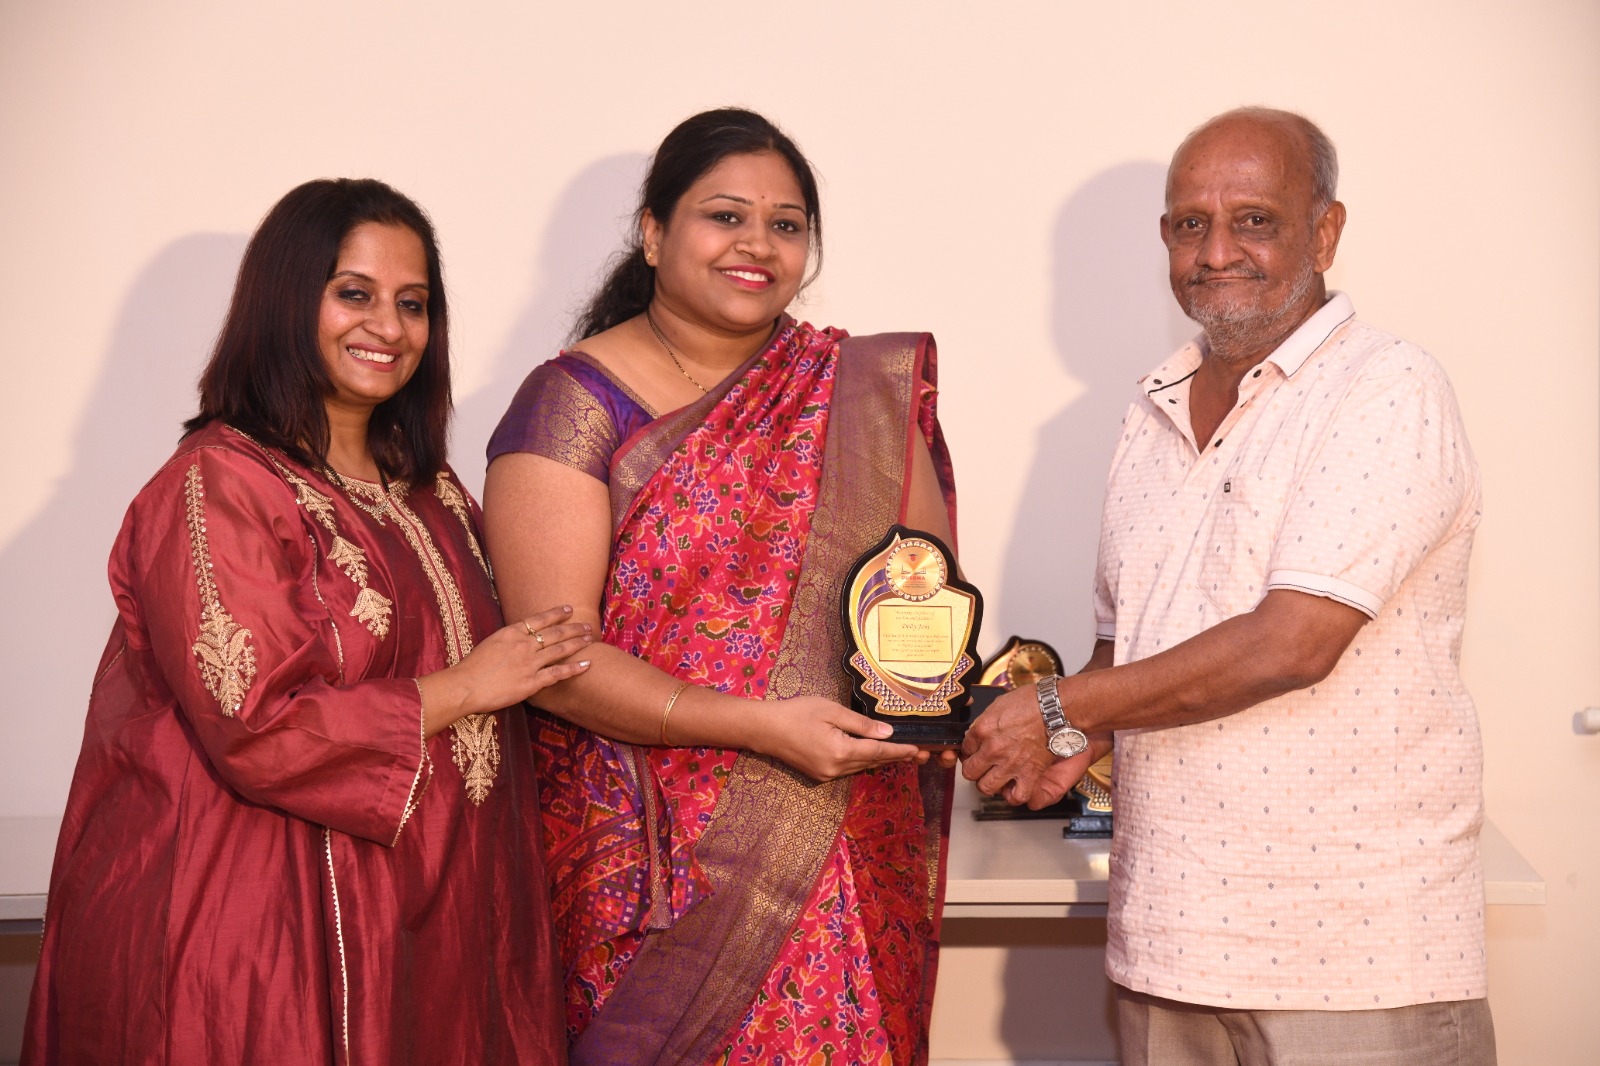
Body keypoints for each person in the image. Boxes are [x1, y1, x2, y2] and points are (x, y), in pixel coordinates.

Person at [960, 108, 1493, 1064]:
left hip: (1355, 959)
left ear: (1325, 232)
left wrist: (1058, 708)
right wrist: (1067, 738)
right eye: (1189, 224)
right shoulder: (1151, 407)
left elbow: (1294, 642)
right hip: (1166, 940)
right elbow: (1127, 648)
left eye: (1254, 220)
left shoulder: (1387, 385)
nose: (1215, 252)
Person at [24, 178, 588, 1065]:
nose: (389, 327)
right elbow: (256, 723)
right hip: (264, 923)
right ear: (286, 301)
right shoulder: (220, 485)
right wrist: (467, 687)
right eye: (354, 293)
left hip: (434, 915)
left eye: (413, 303)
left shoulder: (431, 491)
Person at [483, 108, 957, 1066]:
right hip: (651, 871)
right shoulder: (573, 402)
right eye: (725, 216)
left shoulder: (858, 390)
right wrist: (761, 726)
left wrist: (933, 705)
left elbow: (921, 604)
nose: (757, 245)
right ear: (654, 233)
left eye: (786, 225)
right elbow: (551, 659)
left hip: (837, 830)